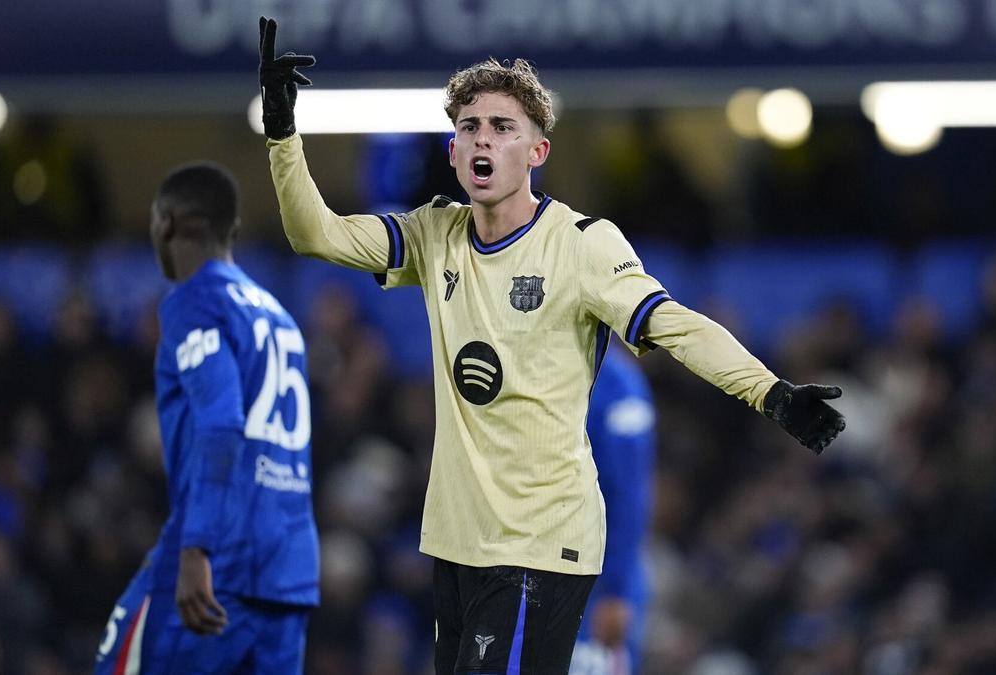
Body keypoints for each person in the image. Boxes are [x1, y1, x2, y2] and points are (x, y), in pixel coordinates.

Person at [259, 17, 845, 673]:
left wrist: (768, 391)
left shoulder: (582, 244)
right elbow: (317, 235)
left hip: (541, 543)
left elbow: (674, 323)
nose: (483, 139)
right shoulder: (433, 233)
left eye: (502, 127)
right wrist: (284, 135)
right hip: (457, 541)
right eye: (470, 127)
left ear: (537, 152)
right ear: (454, 152)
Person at [94, 162, 320, 674]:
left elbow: (222, 424)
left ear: (165, 223)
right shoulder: (278, 315)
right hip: (290, 567)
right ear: (231, 231)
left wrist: (196, 550)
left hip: (220, 556)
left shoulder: (193, 301)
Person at [570, 347, 655, 675]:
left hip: (595, 577)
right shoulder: (533, 369)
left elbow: (629, 494)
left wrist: (616, 590)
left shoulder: (620, 387)